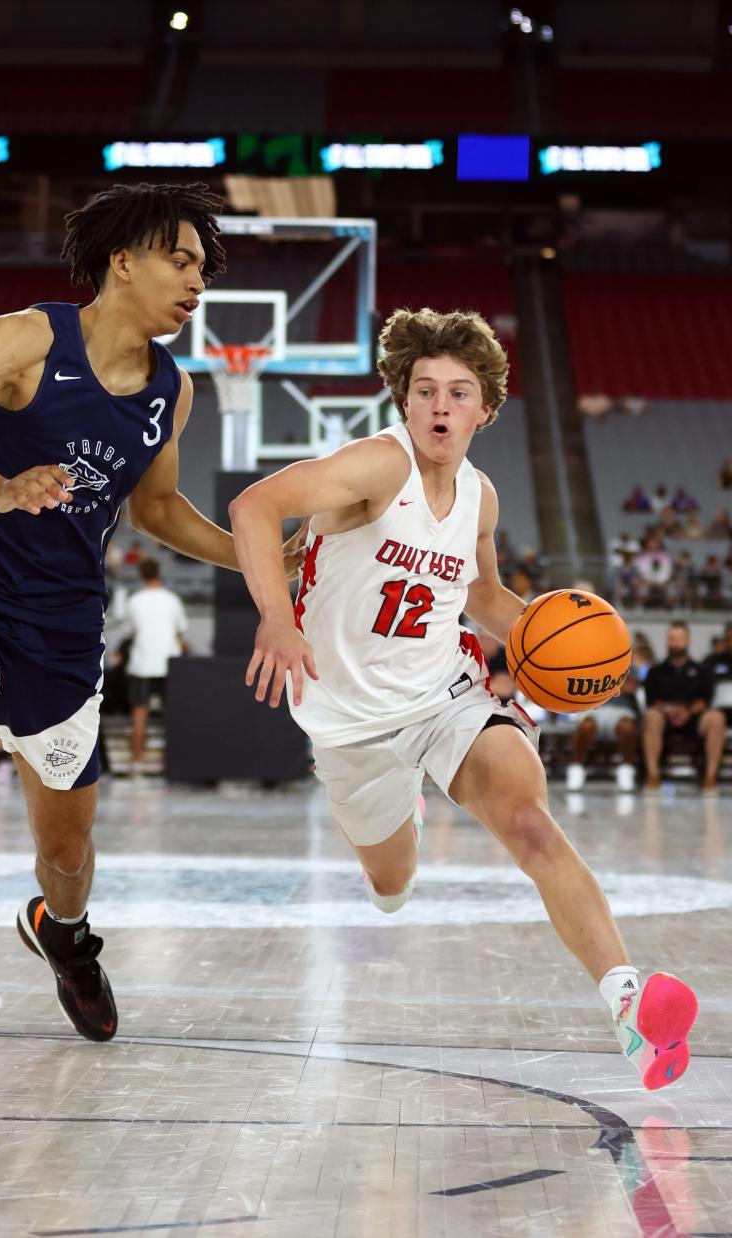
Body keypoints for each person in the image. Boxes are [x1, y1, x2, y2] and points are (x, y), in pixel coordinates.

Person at [0, 181, 302, 1088]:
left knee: (66, 854)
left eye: (204, 269)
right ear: (124, 259)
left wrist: (260, 562)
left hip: (67, 629)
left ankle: (63, 934)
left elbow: (155, 509)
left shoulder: (171, 392)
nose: (197, 284)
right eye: (181, 261)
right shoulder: (25, 339)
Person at [229, 305, 698, 1092]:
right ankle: (402, 813)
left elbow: (481, 596)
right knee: (389, 888)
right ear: (402, 402)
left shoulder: (479, 497)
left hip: (443, 693)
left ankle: (628, 1004)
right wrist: (277, 618)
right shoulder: (379, 467)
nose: (440, 406)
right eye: (424, 391)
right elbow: (254, 506)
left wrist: (570, 643)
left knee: (528, 819)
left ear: (486, 408)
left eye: (457, 392)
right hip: (344, 719)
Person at [642, 621, 725, 793]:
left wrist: (688, 712)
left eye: (680, 638)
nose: (676, 642)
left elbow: (705, 699)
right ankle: (653, 775)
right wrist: (668, 710)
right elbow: (652, 700)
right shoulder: (655, 671)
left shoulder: (702, 670)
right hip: (663, 718)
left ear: (688, 640)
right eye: (672, 638)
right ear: (667, 640)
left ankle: (710, 778)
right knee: (651, 716)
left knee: (716, 718)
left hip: (694, 718)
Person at [125, 557, 188, 773]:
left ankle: (137, 763)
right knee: (172, 717)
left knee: (139, 717)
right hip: (168, 663)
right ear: (159, 574)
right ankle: (173, 764)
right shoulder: (172, 600)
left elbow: (131, 631)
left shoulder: (134, 600)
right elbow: (181, 631)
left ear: (141, 575)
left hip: (142, 664)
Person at [565, 670, 642, 792]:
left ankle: (627, 768)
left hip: (621, 709)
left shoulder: (627, 662)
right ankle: (576, 767)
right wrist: (614, 683)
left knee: (627, 728)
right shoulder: (586, 660)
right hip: (593, 707)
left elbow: (631, 687)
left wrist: (600, 683)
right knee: (586, 726)